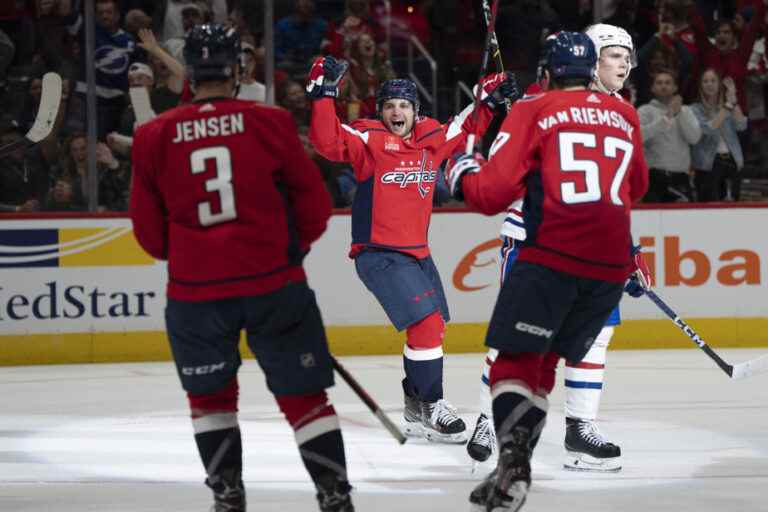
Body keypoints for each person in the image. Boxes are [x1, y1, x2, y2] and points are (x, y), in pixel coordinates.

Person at [129, 24, 355, 512]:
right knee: (305, 399)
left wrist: (198, 257)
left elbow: (150, 237)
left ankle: (228, 497)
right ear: (236, 71)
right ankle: (334, 496)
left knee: (210, 399)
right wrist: (285, 254)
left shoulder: (152, 136)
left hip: (195, 293)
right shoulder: (270, 122)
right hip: (274, 284)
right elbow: (316, 206)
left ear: (189, 72)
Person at [446, 31, 649, 510]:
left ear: (546, 71)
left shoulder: (533, 108)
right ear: (592, 66)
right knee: (546, 365)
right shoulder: (625, 114)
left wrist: (464, 170)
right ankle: (506, 453)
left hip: (551, 251)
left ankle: (513, 460)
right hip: (605, 266)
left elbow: (489, 194)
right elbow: (634, 186)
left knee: (516, 360)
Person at [306, 54, 520, 443]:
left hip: (418, 253)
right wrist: (322, 95)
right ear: (381, 111)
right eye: (389, 105)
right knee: (426, 325)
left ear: (415, 110)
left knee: (433, 328)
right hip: (379, 253)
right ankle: (435, 405)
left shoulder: (429, 138)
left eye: (404, 105)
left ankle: (416, 406)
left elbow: (464, 126)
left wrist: (488, 98)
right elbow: (326, 141)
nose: (396, 111)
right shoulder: (368, 139)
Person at [638, 69, 701, 203]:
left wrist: (679, 114)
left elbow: (694, 138)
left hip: (680, 178)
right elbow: (637, 137)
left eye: (668, 83)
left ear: (675, 88)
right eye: (659, 83)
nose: (664, 86)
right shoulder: (645, 111)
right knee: (652, 222)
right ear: (653, 88)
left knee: (685, 222)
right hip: (654, 177)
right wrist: (665, 119)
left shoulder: (686, 111)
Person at [691, 69, 747, 201]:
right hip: (708, 163)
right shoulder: (695, 109)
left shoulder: (728, 106)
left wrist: (734, 101)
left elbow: (741, 125)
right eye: (705, 81)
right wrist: (727, 107)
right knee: (709, 206)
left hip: (732, 160)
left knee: (732, 206)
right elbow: (708, 129)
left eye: (713, 81)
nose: (709, 84)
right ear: (700, 85)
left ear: (719, 84)